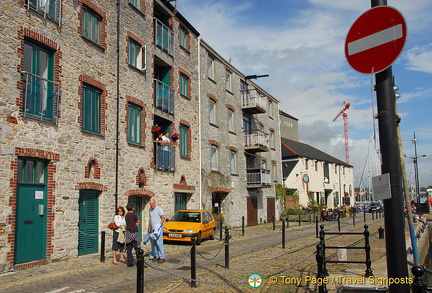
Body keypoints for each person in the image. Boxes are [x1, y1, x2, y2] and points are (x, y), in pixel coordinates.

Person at [125, 203, 143, 267]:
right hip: (133, 232)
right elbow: (138, 221)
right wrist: (137, 224)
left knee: (129, 249)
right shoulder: (133, 215)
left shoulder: (126, 215)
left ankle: (130, 262)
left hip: (128, 233)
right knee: (137, 248)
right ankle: (139, 262)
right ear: (132, 208)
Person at [148, 198, 166, 263]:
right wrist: (149, 227)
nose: (151, 205)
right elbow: (150, 219)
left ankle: (162, 257)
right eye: (150, 204)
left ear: (155, 203)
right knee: (154, 243)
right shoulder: (150, 210)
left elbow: (163, 217)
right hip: (153, 229)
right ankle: (156, 256)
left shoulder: (159, 209)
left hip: (158, 228)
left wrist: (160, 225)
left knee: (159, 243)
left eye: (152, 204)